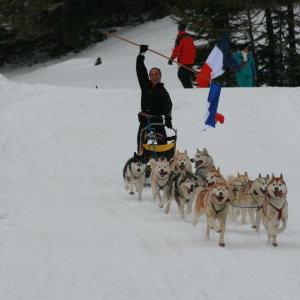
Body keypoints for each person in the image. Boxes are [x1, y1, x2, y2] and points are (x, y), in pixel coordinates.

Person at [136, 44, 173, 153]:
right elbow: (140, 70)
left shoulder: (163, 91)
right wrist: (141, 55)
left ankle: (164, 162)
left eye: (156, 74)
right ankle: (141, 160)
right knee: (141, 144)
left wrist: (168, 118)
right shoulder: (145, 86)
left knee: (163, 145)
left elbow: (167, 106)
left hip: (157, 121)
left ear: (160, 76)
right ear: (150, 77)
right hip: (145, 121)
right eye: (152, 75)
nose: (154, 76)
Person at [168, 23, 196, 88]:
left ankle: (188, 89)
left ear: (179, 28)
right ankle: (189, 87)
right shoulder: (190, 37)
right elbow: (194, 49)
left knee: (181, 75)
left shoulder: (180, 38)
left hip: (184, 61)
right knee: (184, 75)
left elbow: (177, 49)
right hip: (190, 60)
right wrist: (193, 57)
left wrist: (171, 58)